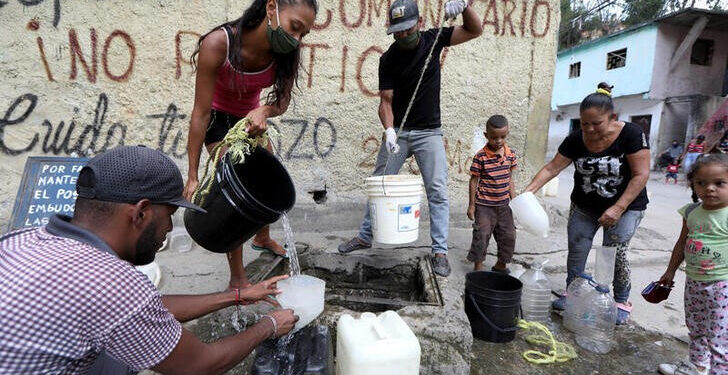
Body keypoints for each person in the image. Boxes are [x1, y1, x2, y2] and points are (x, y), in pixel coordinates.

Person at [0, 146, 298, 374]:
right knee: (122, 360)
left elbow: (142, 311)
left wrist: (236, 295)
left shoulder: (23, 238)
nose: (169, 229)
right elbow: (200, 365)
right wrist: (269, 325)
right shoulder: (111, 284)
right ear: (140, 212)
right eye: (168, 215)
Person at [336, 0, 483, 277]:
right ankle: (365, 236)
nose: (403, 35)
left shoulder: (435, 39)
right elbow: (386, 102)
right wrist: (389, 130)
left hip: (429, 132)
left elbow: (475, 30)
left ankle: (439, 250)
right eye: (397, 31)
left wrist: (464, 7)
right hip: (400, 133)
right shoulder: (388, 59)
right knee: (379, 183)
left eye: (407, 28)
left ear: (419, 23)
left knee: (437, 191)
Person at [184, 0, 318, 291]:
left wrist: (264, 111)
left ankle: (262, 238)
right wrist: (193, 175)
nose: (296, 40)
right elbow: (200, 113)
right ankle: (237, 278)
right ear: (271, 8)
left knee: (268, 184)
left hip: (250, 119)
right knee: (236, 192)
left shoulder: (285, 52)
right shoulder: (219, 43)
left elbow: (280, 102)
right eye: (295, 27)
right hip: (218, 121)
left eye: (303, 35)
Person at [522, 85, 650, 325]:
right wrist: (527, 193)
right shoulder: (575, 140)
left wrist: (618, 208)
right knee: (577, 247)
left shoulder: (631, 134)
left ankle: (621, 299)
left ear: (612, 118)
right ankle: (573, 292)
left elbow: (641, 174)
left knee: (614, 253)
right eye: (584, 124)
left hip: (626, 206)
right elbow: (552, 168)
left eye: (596, 123)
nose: (590, 130)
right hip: (585, 206)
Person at [657, 154, 728, 375]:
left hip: (722, 284)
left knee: (720, 336)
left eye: (719, 183)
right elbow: (681, 243)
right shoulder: (691, 212)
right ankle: (698, 367)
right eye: (701, 183)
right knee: (696, 328)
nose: (710, 189)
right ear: (693, 185)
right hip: (695, 281)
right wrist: (670, 271)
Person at [467, 115, 517, 273]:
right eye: (494, 137)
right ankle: (478, 267)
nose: (499, 141)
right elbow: (474, 181)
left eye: (503, 137)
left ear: (507, 133)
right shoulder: (480, 156)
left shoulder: (510, 155)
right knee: (481, 236)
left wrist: (515, 201)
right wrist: (472, 206)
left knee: (508, 235)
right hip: (484, 207)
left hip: (504, 205)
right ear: (486, 135)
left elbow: (509, 179)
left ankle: (501, 264)